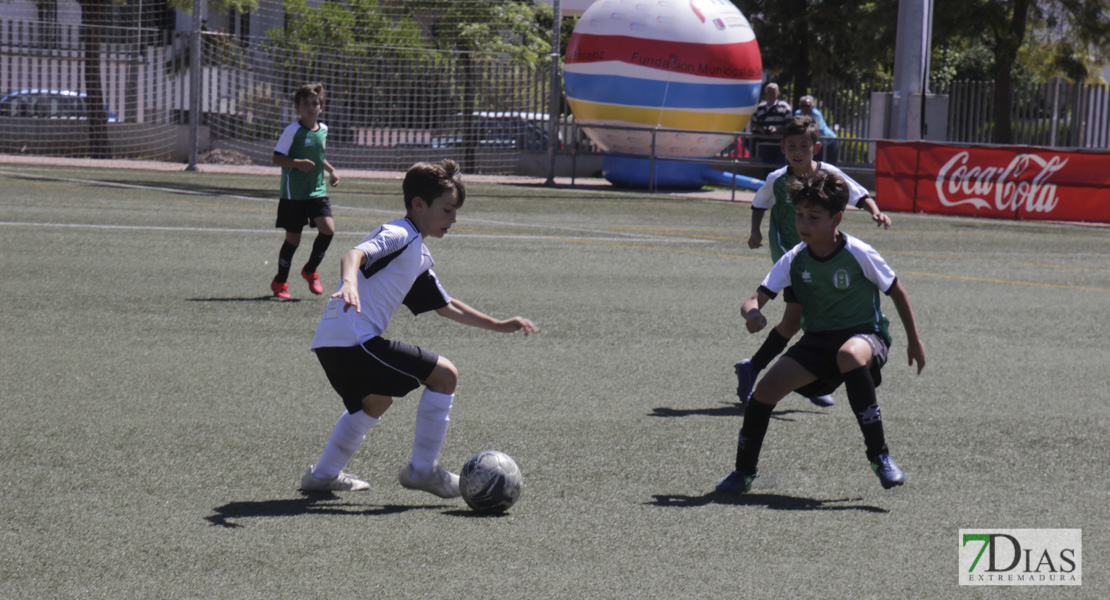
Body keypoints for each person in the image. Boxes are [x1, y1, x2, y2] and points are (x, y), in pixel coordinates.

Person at [299, 159, 538, 497]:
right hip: (354, 341)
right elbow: (353, 256)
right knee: (445, 376)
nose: (454, 218)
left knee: (377, 401)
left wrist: (499, 325)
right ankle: (423, 471)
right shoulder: (400, 233)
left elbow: (446, 306)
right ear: (418, 204)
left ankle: (322, 476)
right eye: (448, 209)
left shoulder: (416, 253)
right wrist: (349, 283)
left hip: (332, 342)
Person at [717, 171, 926, 494]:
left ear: (836, 219)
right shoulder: (794, 259)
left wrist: (914, 342)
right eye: (800, 215)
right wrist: (753, 314)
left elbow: (897, 291)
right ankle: (742, 473)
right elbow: (752, 300)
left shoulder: (859, 252)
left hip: (865, 336)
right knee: (762, 395)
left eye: (814, 217)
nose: (803, 223)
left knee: (848, 354)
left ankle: (880, 457)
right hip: (817, 342)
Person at [736, 115, 891, 408]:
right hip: (792, 258)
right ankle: (805, 376)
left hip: (820, 256)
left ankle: (760, 368)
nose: (797, 151)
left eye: (804, 146)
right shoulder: (777, 180)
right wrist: (755, 231)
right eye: (792, 145)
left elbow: (858, 194)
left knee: (796, 320)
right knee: (809, 318)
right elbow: (759, 203)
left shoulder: (828, 174)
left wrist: (875, 211)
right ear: (782, 147)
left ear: (815, 148)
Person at [270, 83, 341, 300]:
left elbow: (319, 157)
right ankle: (280, 282)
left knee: (328, 229)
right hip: (294, 194)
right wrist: (297, 163)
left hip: (317, 190)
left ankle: (310, 270)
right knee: (293, 240)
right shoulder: (293, 130)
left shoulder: (324, 130)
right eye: (306, 104)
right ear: (297, 107)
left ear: (321, 107)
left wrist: (332, 170)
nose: (311, 107)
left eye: (315, 103)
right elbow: (277, 158)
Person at [749, 82, 793, 177]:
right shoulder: (760, 107)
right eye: (769, 91)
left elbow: (790, 124)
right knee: (766, 170)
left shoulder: (784, 107)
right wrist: (762, 130)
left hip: (779, 144)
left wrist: (777, 130)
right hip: (765, 144)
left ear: (777, 93)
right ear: (765, 93)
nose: (771, 94)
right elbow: (754, 123)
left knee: (780, 170)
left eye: (773, 92)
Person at [796, 94, 839, 166]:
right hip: (817, 144)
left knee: (829, 167)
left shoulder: (816, 114)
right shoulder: (798, 113)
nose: (805, 108)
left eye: (807, 106)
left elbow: (819, 128)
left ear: (812, 106)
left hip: (829, 142)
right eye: (802, 106)